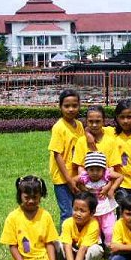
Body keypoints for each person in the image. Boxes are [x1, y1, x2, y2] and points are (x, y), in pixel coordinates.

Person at [0, 176, 63, 260]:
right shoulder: (13, 217)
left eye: (35, 197)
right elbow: (13, 247)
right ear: (20, 196)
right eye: (26, 197)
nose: (31, 201)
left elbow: (49, 243)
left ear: (41, 195)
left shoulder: (45, 216)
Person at [48, 89, 84, 227]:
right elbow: (57, 155)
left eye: (74, 106)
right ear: (60, 107)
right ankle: (65, 244)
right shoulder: (59, 127)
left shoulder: (79, 125)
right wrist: (68, 180)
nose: (71, 109)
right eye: (67, 106)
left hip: (76, 176)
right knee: (67, 213)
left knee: (79, 209)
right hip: (62, 179)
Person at [57, 192, 105, 260]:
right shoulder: (67, 223)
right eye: (75, 209)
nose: (78, 214)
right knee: (57, 244)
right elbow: (67, 247)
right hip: (71, 253)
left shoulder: (93, 224)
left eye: (82, 211)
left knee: (96, 250)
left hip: (84, 254)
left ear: (92, 213)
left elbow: (83, 249)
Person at [73, 151, 123, 246]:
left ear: (103, 170)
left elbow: (120, 176)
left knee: (109, 229)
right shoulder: (84, 177)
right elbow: (73, 181)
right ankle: (97, 248)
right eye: (91, 170)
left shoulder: (106, 175)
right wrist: (82, 190)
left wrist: (111, 188)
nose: (95, 173)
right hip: (92, 208)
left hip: (105, 207)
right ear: (87, 170)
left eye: (98, 170)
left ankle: (109, 247)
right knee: (94, 228)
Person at [72, 105, 121, 175]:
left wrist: (106, 184)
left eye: (98, 121)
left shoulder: (111, 141)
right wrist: (86, 183)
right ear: (86, 122)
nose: (94, 125)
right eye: (91, 121)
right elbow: (80, 166)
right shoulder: (81, 142)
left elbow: (111, 167)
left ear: (103, 121)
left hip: (106, 183)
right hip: (86, 183)